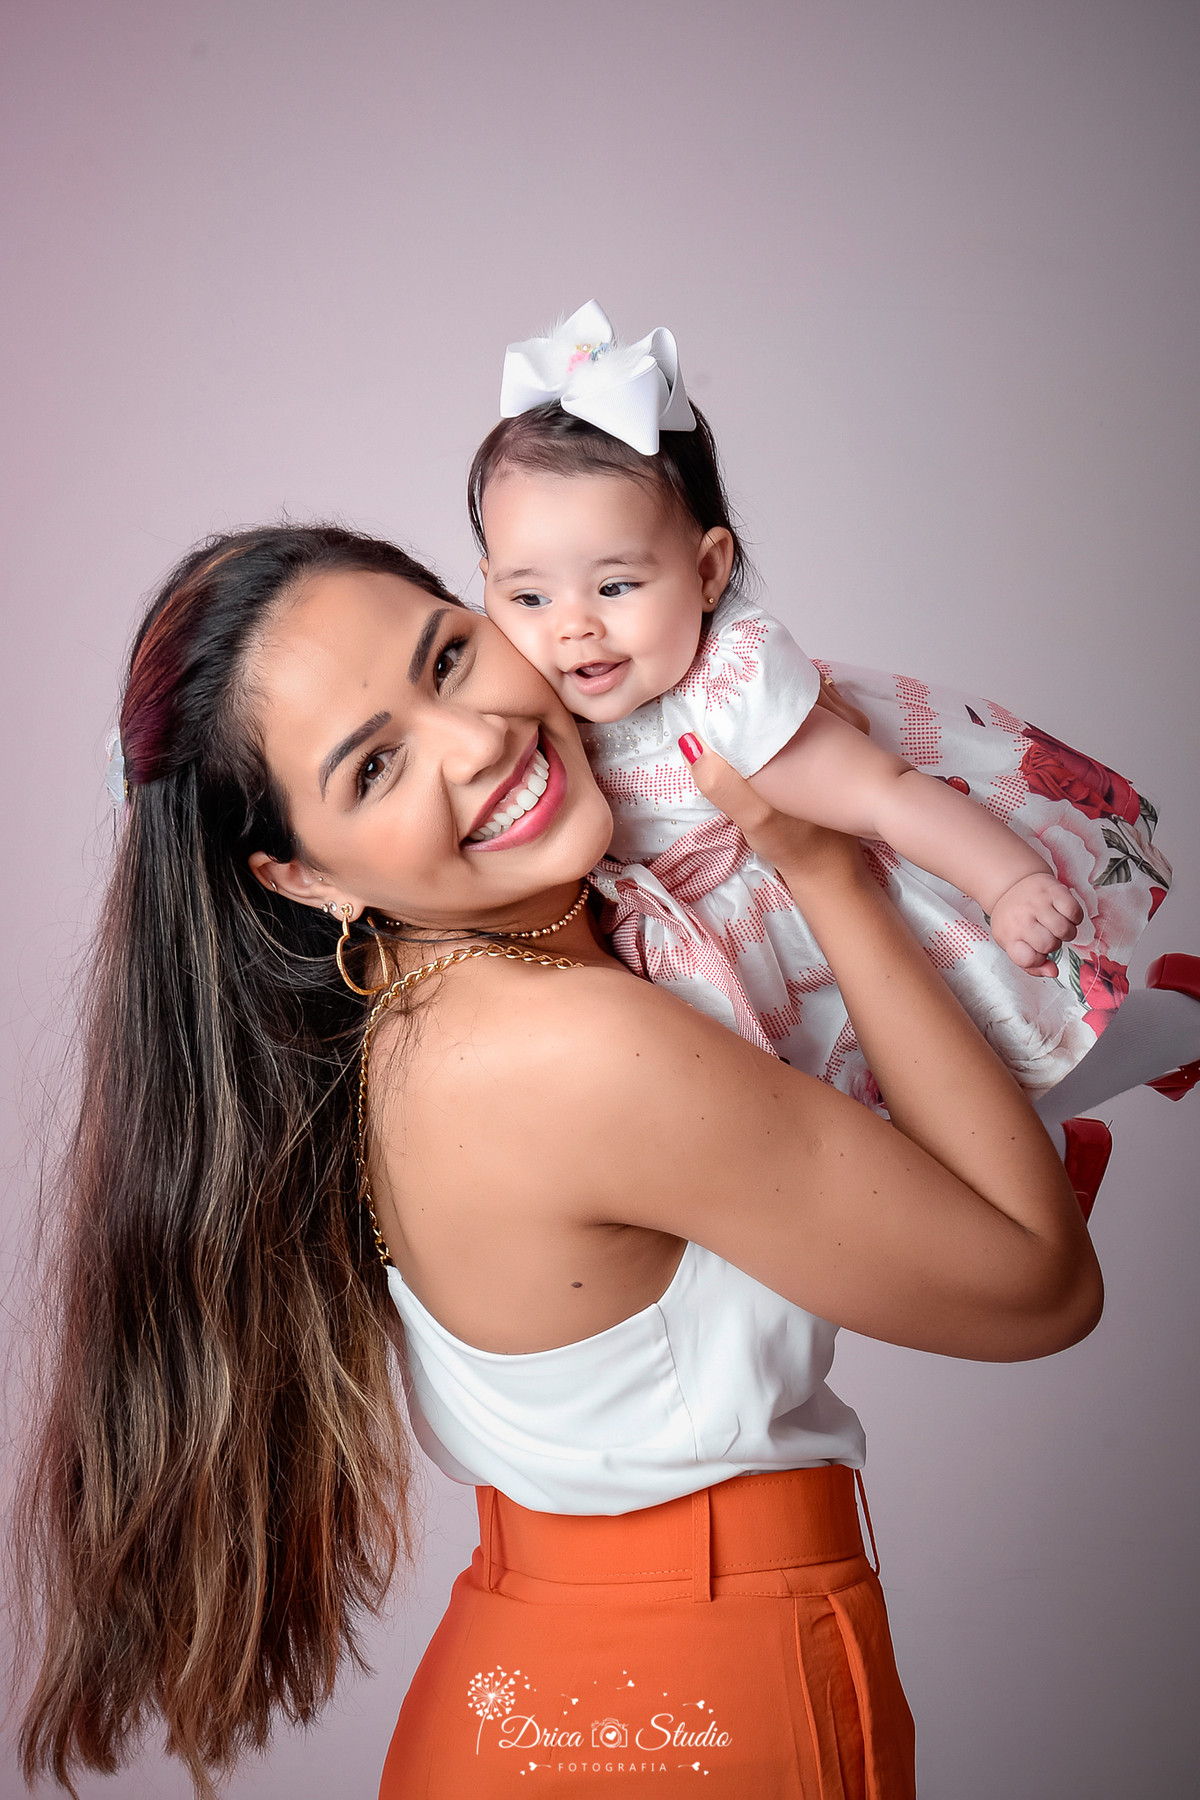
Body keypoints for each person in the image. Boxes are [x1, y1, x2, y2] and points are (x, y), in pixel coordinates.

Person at [17, 524, 1104, 1798]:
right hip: (689, 1709)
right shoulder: (558, 1047)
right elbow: (1040, 1284)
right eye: (374, 768)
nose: (477, 741)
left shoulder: (461, 1004)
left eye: (450, 658)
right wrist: (827, 871)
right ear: (302, 875)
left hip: (570, 1687)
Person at [471, 302, 1200, 1196]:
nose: (575, 628)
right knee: (851, 1168)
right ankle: (1050, 1160)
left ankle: (1169, 1029)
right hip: (700, 972)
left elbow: (885, 790)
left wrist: (1007, 880)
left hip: (817, 941)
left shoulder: (729, 695)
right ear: (488, 591)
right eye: (529, 597)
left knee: (968, 1085)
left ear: (706, 572)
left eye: (616, 584)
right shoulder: (514, 696)